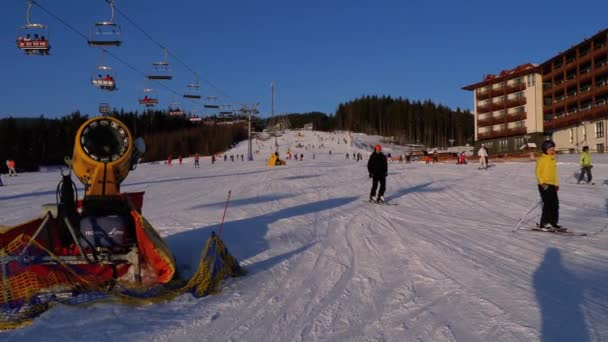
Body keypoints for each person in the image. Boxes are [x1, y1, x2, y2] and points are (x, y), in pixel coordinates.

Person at [536, 140, 563, 231]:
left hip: (552, 185)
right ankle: (544, 223)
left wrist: (556, 184)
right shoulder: (541, 159)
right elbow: (538, 172)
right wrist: (542, 183)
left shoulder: (552, 159)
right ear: (545, 149)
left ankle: (553, 222)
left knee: (555, 204)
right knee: (547, 204)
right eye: (550, 149)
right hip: (544, 185)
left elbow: (554, 173)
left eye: (553, 149)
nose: (552, 151)